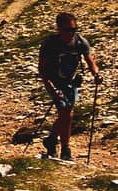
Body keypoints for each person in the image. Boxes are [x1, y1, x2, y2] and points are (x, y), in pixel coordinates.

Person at [38, 12, 100, 161]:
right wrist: (52, 88)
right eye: (68, 30)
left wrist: (96, 73)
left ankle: (52, 141)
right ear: (59, 29)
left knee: (66, 114)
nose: (71, 33)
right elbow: (43, 70)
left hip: (70, 81)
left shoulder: (79, 42)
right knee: (67, 113)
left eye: (74, 29)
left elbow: (90, 60)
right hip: (53, 81)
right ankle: (65, 149)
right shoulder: (50, 44)